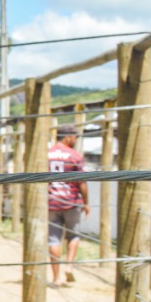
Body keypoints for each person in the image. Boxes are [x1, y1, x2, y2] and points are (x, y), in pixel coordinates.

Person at [48, 123, 89, 287]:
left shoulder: (46, 154)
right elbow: (81, 182)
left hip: (51, 202)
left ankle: (56, 277)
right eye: (74, 137)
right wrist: (86, 203)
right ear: (68, 137)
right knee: (73, 235)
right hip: (71, 202)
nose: (75, 140)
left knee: (53, 240)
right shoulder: (75, 155)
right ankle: (69, 265)